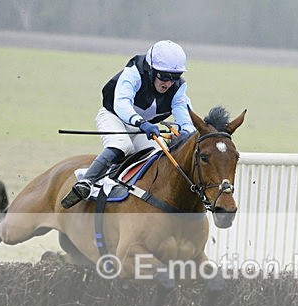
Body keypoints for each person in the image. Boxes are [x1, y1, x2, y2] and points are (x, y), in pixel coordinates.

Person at [61, 40, 197, 208]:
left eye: (174, 77)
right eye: (164, 76)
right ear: (151, 69)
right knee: (122, 145)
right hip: (114, 116)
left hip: (144, 126)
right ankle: (86, 182)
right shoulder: (134, 72)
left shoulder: (179, 87)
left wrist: (186, 132)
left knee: (156, 156)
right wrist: (141, 123)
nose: (168, 83)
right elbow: (122, 104)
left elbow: (185, 115)